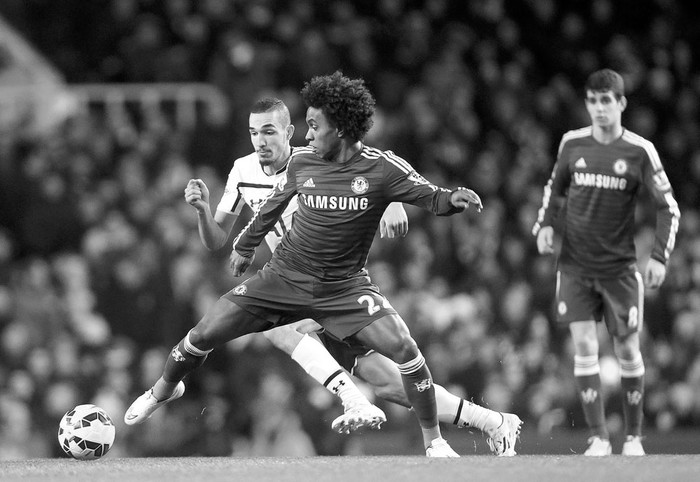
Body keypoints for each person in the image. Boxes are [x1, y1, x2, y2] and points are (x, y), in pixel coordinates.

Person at [126, 71, 505, 457]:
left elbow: (405, 185)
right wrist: (238, 238)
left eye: (272, 131)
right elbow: (251, 220)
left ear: (291, 131)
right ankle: (166, 390)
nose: (262, 141)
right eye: (255, 132)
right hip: (285, 279)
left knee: (392, 380)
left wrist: (408, 201)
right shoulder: (253, 170)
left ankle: (482, 422)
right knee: (220, 331)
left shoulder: (345, 162)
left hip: (340, 287)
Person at [532, 69, 680, 456]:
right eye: (593, 101)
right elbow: (555, 189)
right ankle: (598, 438)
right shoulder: (572, 143)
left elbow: (668, 208)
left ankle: (633, 438)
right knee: (584, 345)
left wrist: (660, 256)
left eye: (606, 101)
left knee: (627, 349)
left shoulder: (639, 150)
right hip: (576, 267)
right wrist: (545, 225)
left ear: (621, 104)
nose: (599, 109)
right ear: (587, 104)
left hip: (619, 270)